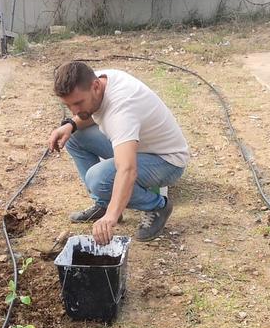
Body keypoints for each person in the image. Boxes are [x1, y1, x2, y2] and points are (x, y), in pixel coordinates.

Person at [47, 61, 188, 245]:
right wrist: (70, 125)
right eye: (69, 105)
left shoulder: (122, 108)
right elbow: (87, 114)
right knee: (72, 135)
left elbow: (127, 170)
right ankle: (102, 204)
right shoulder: (95, 81)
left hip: (166, 161)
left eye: (78, 103)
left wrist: (111, 217)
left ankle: (158, 206)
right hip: (137, 145)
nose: (74, 110)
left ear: (96, 86)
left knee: (99, 179)